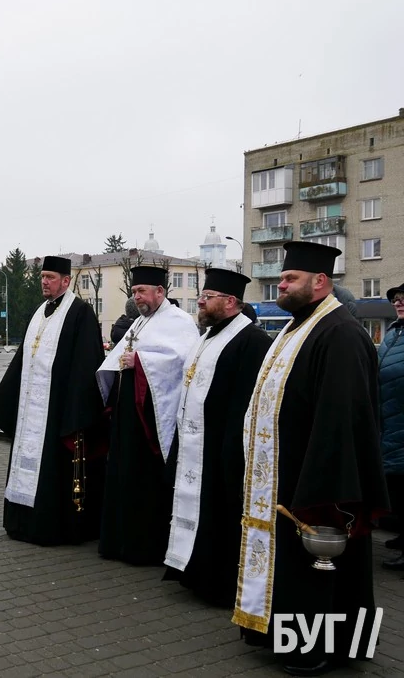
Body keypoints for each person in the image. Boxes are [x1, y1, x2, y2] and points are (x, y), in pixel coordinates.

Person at [234, 242, 389, 675]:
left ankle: (318, 650)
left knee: (320, 569)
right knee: (294, 569)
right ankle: (280, 637)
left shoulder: (339, 332)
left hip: (316, 482)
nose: (281, 285)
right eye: (281, 279)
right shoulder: (297, 327)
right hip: (284, 473)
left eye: (290, 279)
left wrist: (320, 491)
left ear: (320, 282)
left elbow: (342, 420)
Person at [163, 269, 271, 606]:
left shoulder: (251, 341)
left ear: (230, 301)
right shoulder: (207, 336)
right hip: (198, 444)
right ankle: (193, 571)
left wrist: (230, 449)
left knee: (221, 515)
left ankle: (219, 583)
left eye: (208, 297)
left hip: (224, 448)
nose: (201, 301)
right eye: (202, 296)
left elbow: (247, 402)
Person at [0, 256, 108, 545]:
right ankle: (21, 523)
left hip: (56, 413)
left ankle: (50, 528)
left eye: (50, 277)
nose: (44, 281)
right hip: (31, 411)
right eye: (42, 276)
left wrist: (74, 413)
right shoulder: (40, 312)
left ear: (66, 281)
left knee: (54, 472)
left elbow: (86, 366)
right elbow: (23, 359)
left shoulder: (80, 313)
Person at [95, 266, 199, 564]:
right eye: (134, 291)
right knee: (122, 473)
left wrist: (140, 360)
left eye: (142, 291)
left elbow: (182, 360)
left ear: (160, 292)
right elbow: (120, 355)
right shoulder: (140, 322)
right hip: (129, 412)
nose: (137, 296)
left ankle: (144, 546)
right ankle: (118, 541)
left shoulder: (179, 321)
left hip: (152, 419)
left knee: (143, 479)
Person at [380, 284, 404, 570]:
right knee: (397, 487)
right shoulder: (393, 334)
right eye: (397, 300)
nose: (399, 304)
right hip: (390, 420)